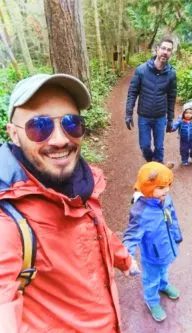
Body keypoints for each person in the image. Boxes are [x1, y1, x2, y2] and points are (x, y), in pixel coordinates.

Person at [0, 73, 133, 333]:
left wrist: (123, 258)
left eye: (71, 124)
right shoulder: (8, 219)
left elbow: (96, 231)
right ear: (13, 134)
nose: (61, 139)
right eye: (39, 126)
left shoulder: (83, 183)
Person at [123, 162, 182, 322]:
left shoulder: (165, 198)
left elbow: (172, 217)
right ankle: (152, 301)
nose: (167, 190)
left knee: (164, 270)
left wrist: (177, 235)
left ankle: (163, 285)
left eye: (168, 185)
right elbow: (130, 237)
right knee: (151, 279)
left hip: (167, 248)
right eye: (162, 187)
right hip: (152, 255)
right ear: (149, 187)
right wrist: (127, 259)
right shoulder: (141, 212)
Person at [125, 37, 177, 163]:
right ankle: (152, 164)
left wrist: (170, 119)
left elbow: (171, 97)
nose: (165, 52)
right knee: (145, 147)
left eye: (169, 50)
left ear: (171, 53)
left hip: (160, 117)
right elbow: (132, 92)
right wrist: (128, 114)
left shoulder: (171, 74)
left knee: (159, 148)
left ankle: (159, 171)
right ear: (157, 49)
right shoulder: (141, 70)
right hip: (144, 117)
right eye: (163, 48)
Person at [171, 101, 192, 166]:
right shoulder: (180, 120)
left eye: (190, 113)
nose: (188, 114)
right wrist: (172, 128)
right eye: (186, 113)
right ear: (183, 113)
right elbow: (175, 125)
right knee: (183, 150)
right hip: (183, 139)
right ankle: (184, 160)